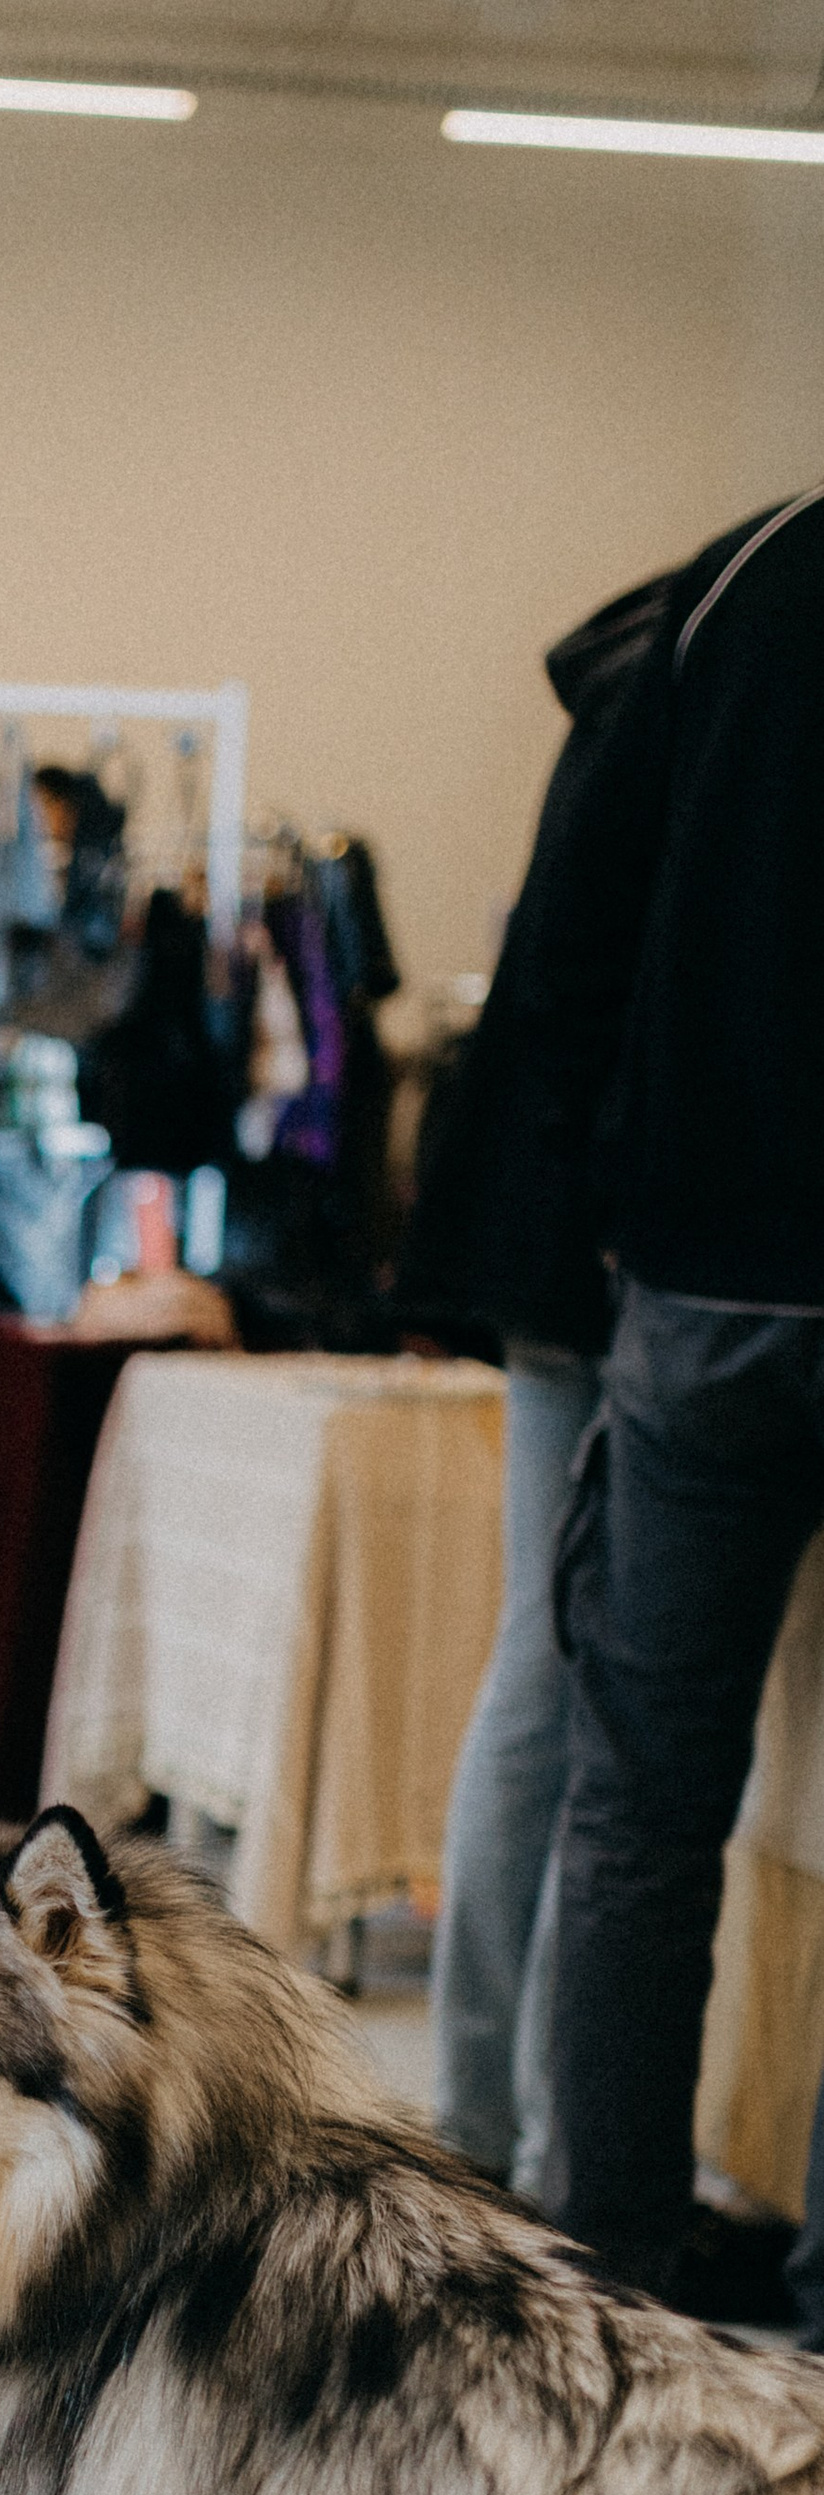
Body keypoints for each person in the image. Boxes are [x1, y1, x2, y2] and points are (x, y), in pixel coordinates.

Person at [532, 485, 824, 2336]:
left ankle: (613, 2273)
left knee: (642, 1805)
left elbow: (582, 922)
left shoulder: (748, 575)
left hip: (712, 1277)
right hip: (712, 1265)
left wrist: (599, 1223)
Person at [408, 570, 668, 2203]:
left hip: (553, 1246)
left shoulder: (633, 704)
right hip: (630, 1259)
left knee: (545, 1665)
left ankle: (486, 2131)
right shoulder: (724, 700)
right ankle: (524, 2144)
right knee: (589, 1687)